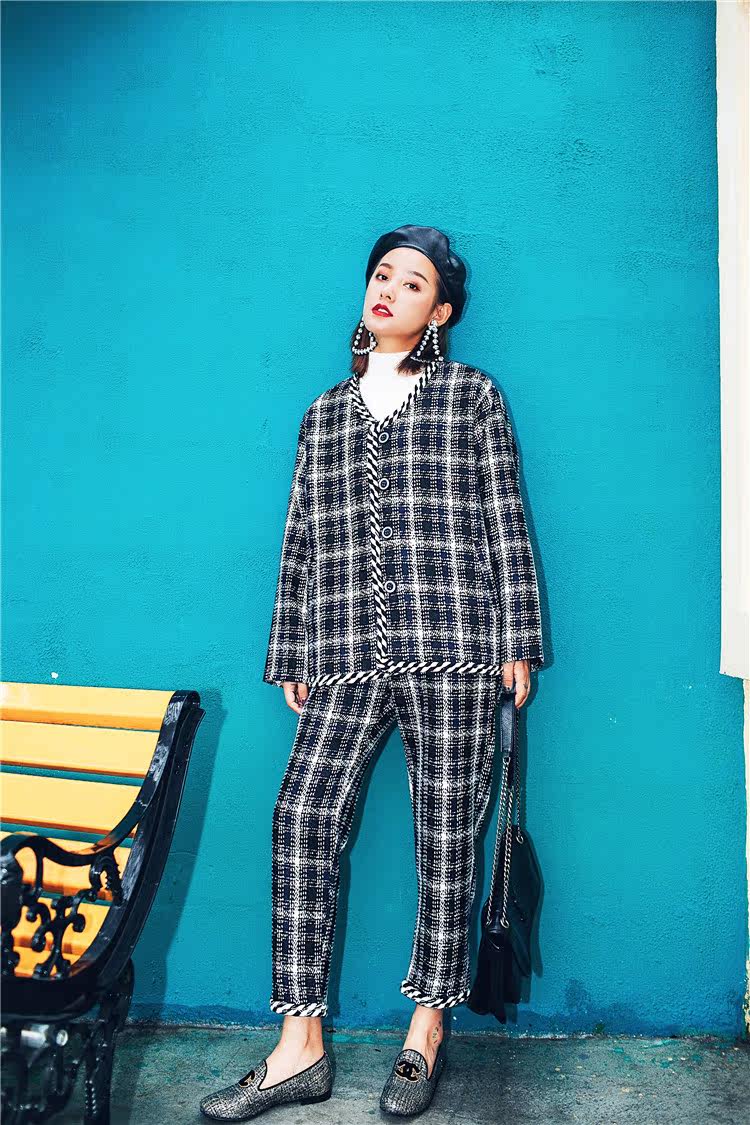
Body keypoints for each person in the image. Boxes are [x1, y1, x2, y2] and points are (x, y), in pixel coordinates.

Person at [200, 224, 544, 1121]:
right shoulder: (324, 413)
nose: (388, 289)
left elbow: (504, 517)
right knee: (302, 816)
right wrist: (291, 648)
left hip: (457, 642)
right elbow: (300, 538)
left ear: (442, 311)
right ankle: (299, 1046)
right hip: (345, 648)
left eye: (413, 281)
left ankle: (426, 1029)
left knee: (446, 835)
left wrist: (517, 638)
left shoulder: (472, 396)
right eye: (382, 274)